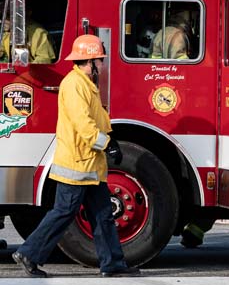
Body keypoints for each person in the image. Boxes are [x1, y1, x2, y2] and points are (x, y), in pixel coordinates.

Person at [12, 34, 140, 278]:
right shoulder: (74, 85)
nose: (102, 64)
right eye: (99, 60)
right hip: (78, 164)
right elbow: (83, 124)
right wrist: (105, 144)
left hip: (90, 165)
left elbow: (97, 119)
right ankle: (29, 253)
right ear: (89, 61)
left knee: (102, 215)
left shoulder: (85, 83)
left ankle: (112, 263)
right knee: (63, 212)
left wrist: (110, 138)